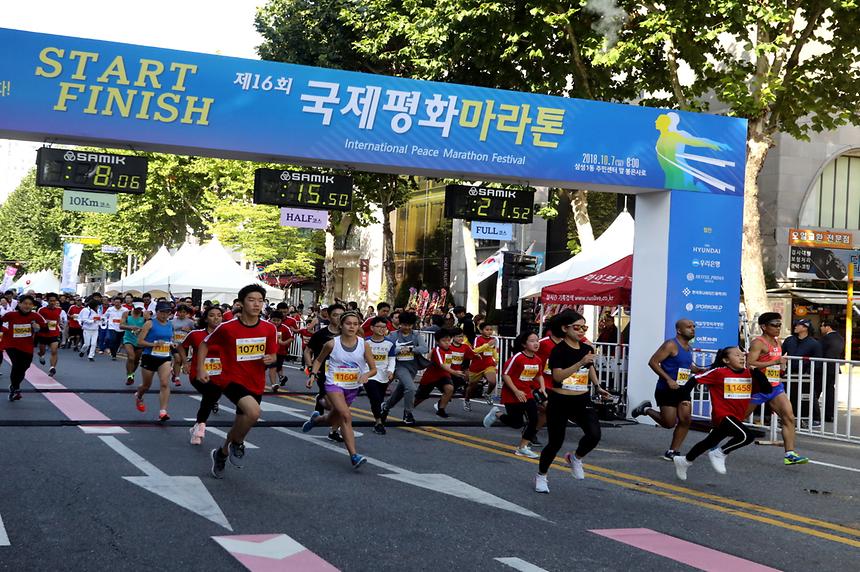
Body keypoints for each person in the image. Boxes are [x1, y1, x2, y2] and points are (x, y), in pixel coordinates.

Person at [199, 285, 277, 479]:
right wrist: (200, 367)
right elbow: (204, 344)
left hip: (256, 381)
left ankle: (222, 453)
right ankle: (238, 443)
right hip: (231, 379)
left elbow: (273, 353)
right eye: (252, 300)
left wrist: (271, 358)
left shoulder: (269, 328)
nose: (257, 304)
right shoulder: (227, 327)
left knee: (242, 422)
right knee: (254, 412)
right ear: (241, 303)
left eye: (260, 300)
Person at [534, 311, 610, 493]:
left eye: (584, 327)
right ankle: (541, 476)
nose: (581, 331)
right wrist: (579, 363)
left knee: (594, 434)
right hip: (560, 399)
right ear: (564, 328)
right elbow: (558, 376)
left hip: (582, 398)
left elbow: (589, 367)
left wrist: (598, 386)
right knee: (555, 442)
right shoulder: (558, 351)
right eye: (577, 327)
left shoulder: (586, 349)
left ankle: (575, 458)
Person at [672, 346, 771, 481]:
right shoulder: (719, 372)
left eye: (742, 355)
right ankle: (720, 453)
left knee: (708, 442)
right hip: (723, 415)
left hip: (737, 416)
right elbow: (694, 379)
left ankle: (685, 461)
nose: (742, 357)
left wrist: (756, 372)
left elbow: (767, 389)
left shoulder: (749, 373)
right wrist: (684, 398)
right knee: (746, 436)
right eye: (736, 355)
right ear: (726, 360)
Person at [302, 311, 376, 468]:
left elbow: (373, 369)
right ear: (341, 325)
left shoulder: (364, 344)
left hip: (352, 386)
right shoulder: (331, 344)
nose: (352, 327)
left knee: (333, 418)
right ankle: (354, 456)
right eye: (348, 323)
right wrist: (313, 374)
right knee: (346, 416)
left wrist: (366, 375)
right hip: (333, 384)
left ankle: (316, 420)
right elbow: (319, 359)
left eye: (355, 324)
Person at [631, 319, 701, 460]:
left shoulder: (689, 347)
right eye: (689, 327)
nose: (692, 329)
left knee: (685, 419)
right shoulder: (671, 345)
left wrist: (700, 370)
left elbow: (686, 366)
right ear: (679, 330)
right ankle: (646, 410)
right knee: (669, 423)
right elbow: (653, 362)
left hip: (683, 389)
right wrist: (668, 379)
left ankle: (673, 451)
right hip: (667, 389)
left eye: (694, 326)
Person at [746, 312, 808, 465]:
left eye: (780, 324)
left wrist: (781, 368)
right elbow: (750, 364)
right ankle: (714, 444)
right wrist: (773, 362)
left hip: (775, 386)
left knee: (789, 417)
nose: (778, 327)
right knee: (737, 418)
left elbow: (777, 363)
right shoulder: (758, 343)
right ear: (764, 327)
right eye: (774, 325)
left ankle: (790, 454)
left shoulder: (778, 342)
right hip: (758, 387)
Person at [483, 331, 544, 458]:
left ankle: (522, 447)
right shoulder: (517, 358)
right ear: (524, 344)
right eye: (532, 341)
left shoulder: (538, 360)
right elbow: (505, 375)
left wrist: (542, 387)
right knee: (517, 423)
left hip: (527, 394)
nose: (536, 343)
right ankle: (497, 413)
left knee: (534, 420)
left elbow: (539, 375)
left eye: (537, 340)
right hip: (512, 394)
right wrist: (516, 390)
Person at [177, 306, 224, 445]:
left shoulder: (227, 334)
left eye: (219, 315)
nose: (216, 318)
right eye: (212, 315)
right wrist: (185, 363)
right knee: (211, 393)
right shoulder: (196, 334)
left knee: (212, 395)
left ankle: (197, 426)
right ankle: (201, 426)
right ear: (205, 318)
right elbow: (181, 346)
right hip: (198, 373)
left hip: (219, 374)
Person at [379, 311, 428, 426]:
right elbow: (386, 348)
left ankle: (385, 407)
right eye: (405, 325)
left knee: (401, 391)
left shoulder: (416, 335)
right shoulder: (393, 335)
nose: (407, 327)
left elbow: (424, 348)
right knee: (411, 388)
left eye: (410, 325)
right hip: (399, 366)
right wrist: (399, 350)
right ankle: (408, 413)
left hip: (412, 366)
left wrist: (411, 349)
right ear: (400, 324)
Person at [304, 304, 345, 442]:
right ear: (328, 316)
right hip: (324, 371)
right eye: (335, 315)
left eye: (341, 315)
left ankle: (334, 430)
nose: (339, 318)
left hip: (344, 373)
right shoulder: (321, 334)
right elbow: (308, 351)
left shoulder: (349, 333)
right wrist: (311, 369)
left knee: (341, 404)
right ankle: (322, 401)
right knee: (336, 405)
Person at [134, 302, 176, 421]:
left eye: (167, 312)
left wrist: (171, 343)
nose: (164, 315)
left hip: (165, 357)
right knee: (146, 385)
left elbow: (169, 338)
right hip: (150, 356)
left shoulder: (170, 324)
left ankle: (163, 411)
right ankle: (139, 396)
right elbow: (139, 342)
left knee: (164, 383)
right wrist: (154, 344)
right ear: (156, 312)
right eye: (162, 312)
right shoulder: (150, 323)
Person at [1, 295, 46, 401]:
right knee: (16, 365)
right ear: (19, 304)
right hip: (11, 344)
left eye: (30, 304)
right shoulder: (11, 315)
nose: (27, 306)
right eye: (25, 303)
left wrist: (38, 328)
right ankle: (16, 389)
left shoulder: (35, 316)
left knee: (24, 367)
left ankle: (13, 386)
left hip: (27, 346)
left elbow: (46, 329)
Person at [413, 329, 463, 418]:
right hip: (431, 376)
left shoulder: (451, 349)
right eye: (444, 341)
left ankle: (441, 409)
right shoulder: (437, 350)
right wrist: (454, 372)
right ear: (437, 341)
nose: (447, 343)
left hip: (444, 375)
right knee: (420, 397)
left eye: (449, 340)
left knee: (449, 389)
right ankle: (409, 409)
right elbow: (442, 364)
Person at [365, 316, 397, 434]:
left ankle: (381, 413)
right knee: (375, 398)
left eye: (384, 327)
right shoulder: (365, 342)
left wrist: (390, 371)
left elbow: (392, 359)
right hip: (369, 375)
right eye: (379, 327)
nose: (382, 329)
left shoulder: (389, 344)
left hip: (383, 376)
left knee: (379, 399)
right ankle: (378, 422)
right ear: (372, 328)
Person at [465, 321, 498, 408]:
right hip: (477, 366)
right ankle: (467, 400)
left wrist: (496, 360)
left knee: (493, 381)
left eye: (491, 330)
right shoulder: (478, 339)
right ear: (481, 331)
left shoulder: (493, 340)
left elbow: (494, 351)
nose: (489, 331)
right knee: (472, 386)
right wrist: (487, 344)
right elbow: (475, 351)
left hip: (489, 365)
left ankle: (487, 394)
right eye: (487, 330)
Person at [819, 320, 845, 423]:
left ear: (827, 327)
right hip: (834, 367)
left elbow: (818, 350)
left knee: (815, 391)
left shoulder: (826, 338)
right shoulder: (840, 338)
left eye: (822, 326)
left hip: (823, 367)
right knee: (830, 391)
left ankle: (812, 414)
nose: (820, 328)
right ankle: (829, 415)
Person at [36, 293, 66, 377]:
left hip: (54, 333)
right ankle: (41, 355)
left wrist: (60, 323)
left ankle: (52, 368)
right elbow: (37, 319)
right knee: (42, 351)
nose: (52, 302)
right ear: (47, 301)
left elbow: (59, 319)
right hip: (43, 333)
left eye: (54, 301)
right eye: (51, 301)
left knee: (54, 351)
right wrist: (45, 322)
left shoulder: (59, 310)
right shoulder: (41, 310)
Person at [170, 305, 195, 387]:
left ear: (186, 313)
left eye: (184, 312)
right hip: (175, 343)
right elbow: (169, 332)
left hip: (185, 344)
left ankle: (174, 373)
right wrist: (171, 341)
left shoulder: (190, 322)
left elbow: (195, 332)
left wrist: (189, 330)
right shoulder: (172, 322)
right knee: (177, 359)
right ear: (177, 312)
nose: (182, 314)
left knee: (180, 361)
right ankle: (177, 378)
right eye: (180, 312)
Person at [120, 306, 146, 385]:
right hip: (128, 339)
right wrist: (131, 327)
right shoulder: (126, 314)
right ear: (133, 307)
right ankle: (129, 376)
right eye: (137, 308)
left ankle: (132, 373)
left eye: (140, 308)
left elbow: (149, 326)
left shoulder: (144, 315)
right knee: (131, 357)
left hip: (139, 340)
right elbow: (121, 326)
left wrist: (141, 329)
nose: (139, 310)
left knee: (136, 359)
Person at [267, 310, 292, 392]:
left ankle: (281, 378)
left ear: (281, 320)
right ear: (270, 319)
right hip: (267, 352)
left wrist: (284, 343)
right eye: (274, 320)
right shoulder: (265, 325)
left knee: (277, 367)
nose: (276, 322)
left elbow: (291, 338)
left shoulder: (285, 328)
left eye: (278, 320)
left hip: (280, 352)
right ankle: (274, 384)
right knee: (272, 367)